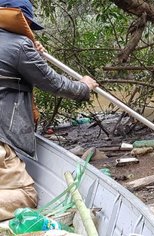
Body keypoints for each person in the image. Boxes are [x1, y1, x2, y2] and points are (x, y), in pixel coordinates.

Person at [0, 0, 98, 220]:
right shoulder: (19, 46)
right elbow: (56, 84)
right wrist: (84, 86)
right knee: (27, 195)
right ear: (20, 18)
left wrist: (36, 55)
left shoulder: (20, 46)